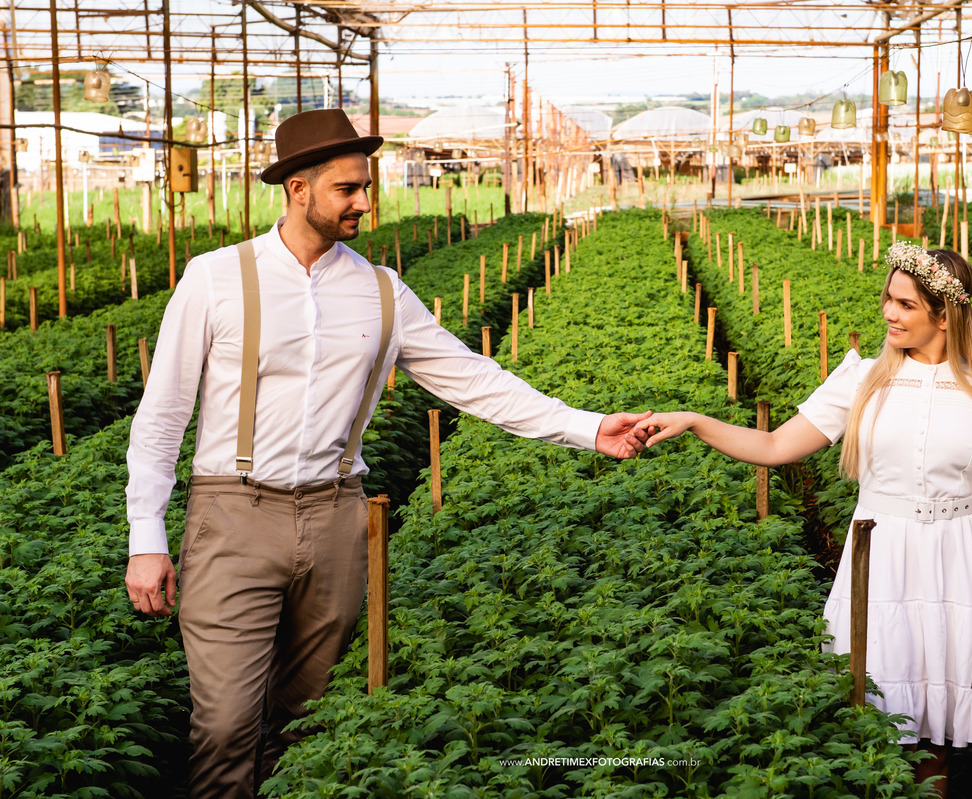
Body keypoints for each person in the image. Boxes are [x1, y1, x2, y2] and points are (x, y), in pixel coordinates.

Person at [124, 108, 650, 799]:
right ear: (298, 189)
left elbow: (475, 381)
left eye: (365, 186)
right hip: (233, 515)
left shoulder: (381, 292)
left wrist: (587, 427)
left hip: (339, 516)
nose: (365, 202)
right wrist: (146, 535)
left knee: (307, 717)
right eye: (347, 189)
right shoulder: (217, 279)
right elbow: (163, 414)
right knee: (224, 724)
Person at [635, 243, 972, 796]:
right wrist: (697, 421)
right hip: (883, 553)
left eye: (905, 304)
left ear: (945, 314)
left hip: (960, 558)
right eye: (888, 300)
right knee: (884, 711)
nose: (889, 314)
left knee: (938, 721)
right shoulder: (863, 379)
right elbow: (776, 446)